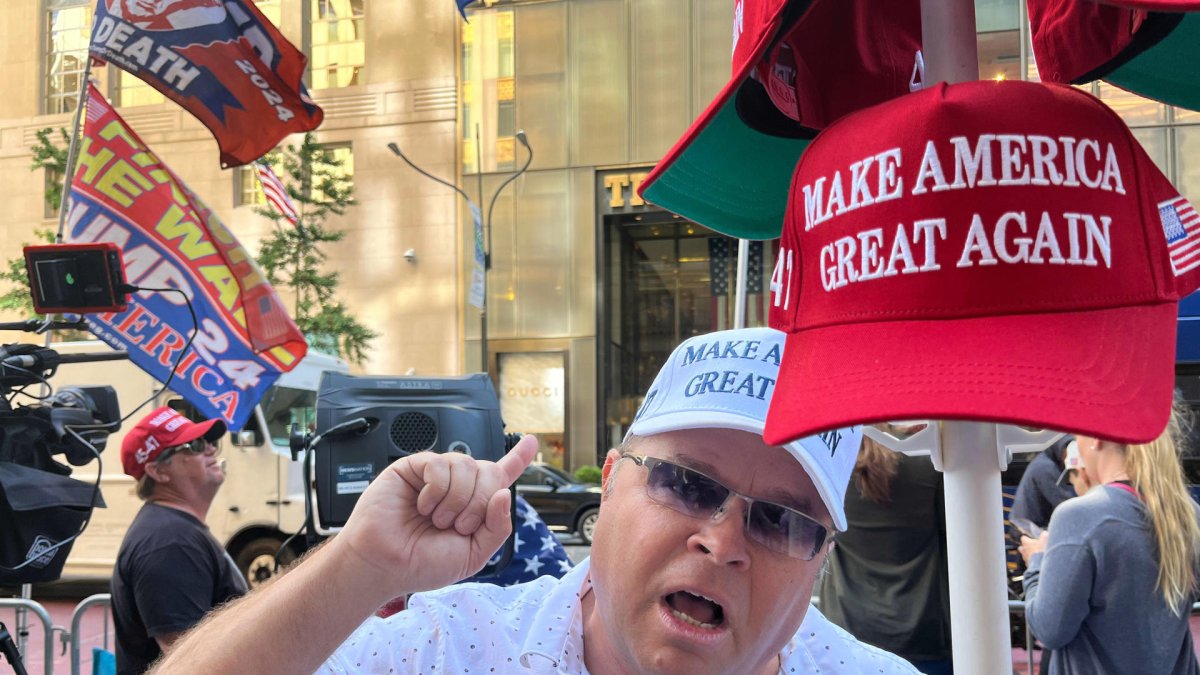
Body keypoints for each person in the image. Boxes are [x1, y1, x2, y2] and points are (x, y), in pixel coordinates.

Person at [152, 327, 919, 674]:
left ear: (822, 556)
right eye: (687, 483)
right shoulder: (448, 652)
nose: (722, 540)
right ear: (611, 479)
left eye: (782, 519)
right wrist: (358, 565)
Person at [1018, 404, 1200, 674]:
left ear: (1097, 437)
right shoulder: (1185, 512)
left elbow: (1049, 629)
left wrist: (1037, 561)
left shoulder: (1080, 516)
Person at [111, 406, 247, 674]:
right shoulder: (170, 541)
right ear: (158, 472)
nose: (210, 450)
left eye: (210, 442)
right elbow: (192, 662)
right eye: (194, 444)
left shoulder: (174, 531)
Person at [818, 433, 953, 674]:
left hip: (849, 629)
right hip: (923, 631)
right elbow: (955, 533)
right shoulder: (927, 466)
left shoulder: (835, 469)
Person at [1008, 435, 1077, 544]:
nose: (1072, 460)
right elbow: (1067, 504)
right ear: (1062, 450)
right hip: (1029, 529)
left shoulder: (1051, 461)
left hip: (1035, 526)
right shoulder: (1045, 467)